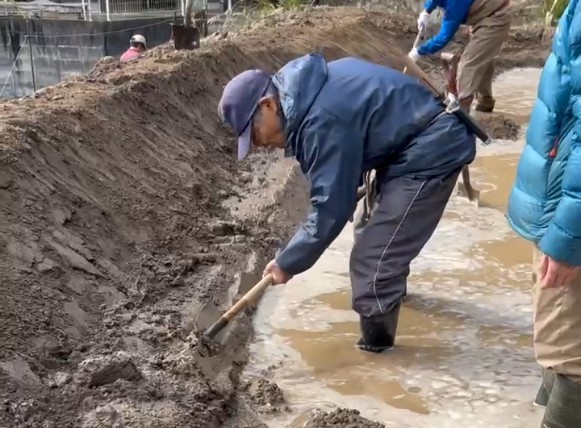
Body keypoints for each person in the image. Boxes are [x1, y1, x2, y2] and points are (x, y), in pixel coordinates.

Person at [218, 53, 476, 353]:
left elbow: (331, 209)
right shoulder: (304, 93)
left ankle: (379, 356)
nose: (259, 145)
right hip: (407, 145)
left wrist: (288, 262)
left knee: (373, 262)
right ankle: (390, 298)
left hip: (433, 148)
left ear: (268, 105)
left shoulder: (318, 119)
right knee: (368, 229)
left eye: (254, 135)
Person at [506, 0, 581, 425]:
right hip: (558, 199)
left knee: (568, 353)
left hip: (567, 213)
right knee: (558, 349)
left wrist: (569, 238)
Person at [408, 0, 511, 113]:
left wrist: (419, 51)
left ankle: (462, 110)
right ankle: (485, 102)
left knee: (469, 64)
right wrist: (426, 11)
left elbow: (444, 37)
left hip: (496, 18)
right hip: (483, 16)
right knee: (482, 58)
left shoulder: (454, 4)